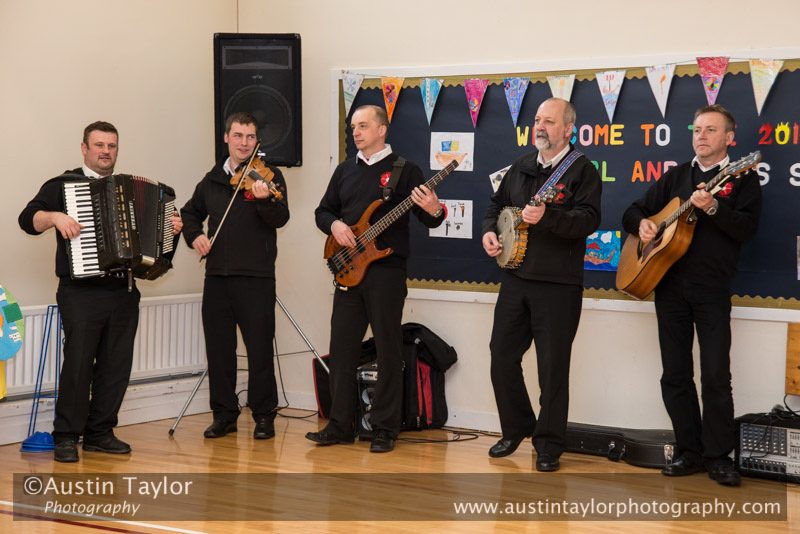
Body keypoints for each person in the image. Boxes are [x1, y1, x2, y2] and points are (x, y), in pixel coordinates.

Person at [18, 121, 183, 463]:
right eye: (99, 145)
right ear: (84, 148)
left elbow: (155, 253)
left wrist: (172, 230)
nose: (106, 151)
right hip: (81, 293)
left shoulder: (126, 188)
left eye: (112, 146)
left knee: (115, 365)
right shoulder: (63, 185)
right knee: (78, 364)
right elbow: (27, 219)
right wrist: (55, 218)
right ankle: (65, 435)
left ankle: (100, 432)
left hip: (124, 290)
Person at [622, 105, 762, 486]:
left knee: (716, 374)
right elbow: (630, 213)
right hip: (668, 287)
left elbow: (746, 229)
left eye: (711, 130)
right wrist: (644, 225)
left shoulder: (744, 178)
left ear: (729, 138)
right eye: (697, 129)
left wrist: (714, 206)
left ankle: (719, 456)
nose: (701, 136)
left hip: (712, 289)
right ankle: (690, 451)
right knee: (676, 374)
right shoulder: (676, 177)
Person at [309, 104, 445, 453]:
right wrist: (336, 225)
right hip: (348, 271)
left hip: (386, 272)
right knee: (341, 349)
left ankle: (385, 428)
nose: (356, 132)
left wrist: (434, 209)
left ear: (382, 130)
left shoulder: (406, 170)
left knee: (387, 350)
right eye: (353, 126)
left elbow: (432, 218)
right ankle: (339, 425)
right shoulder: (344, 171)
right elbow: (323, 211)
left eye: (364, 125)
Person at [481, 98, 602, 471]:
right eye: (537, 120)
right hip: (515, 279)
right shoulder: (521, 165)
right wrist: (488, 232)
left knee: (552, 369)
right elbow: (494, 205)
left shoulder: (583, 170)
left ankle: (549, 444)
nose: (540, 126)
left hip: (558, 285)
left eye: (549, 121)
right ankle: (516, 428)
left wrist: (548, 218)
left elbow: (588, 220)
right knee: (501, 356)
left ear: (568, 129)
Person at [181, 112, 289, 441]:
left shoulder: (269, 176)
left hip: (255, 278)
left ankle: (263, 415)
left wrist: (264, 200)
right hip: (216, 277)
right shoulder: (213, 179)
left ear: (257, 141)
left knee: (258, 351)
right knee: (219, 351)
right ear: (226, 137)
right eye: (238, 136)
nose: (244, 143)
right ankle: (224, 414)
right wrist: (194, 236)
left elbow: (280, 217)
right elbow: (188, 214)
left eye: (251, 137)